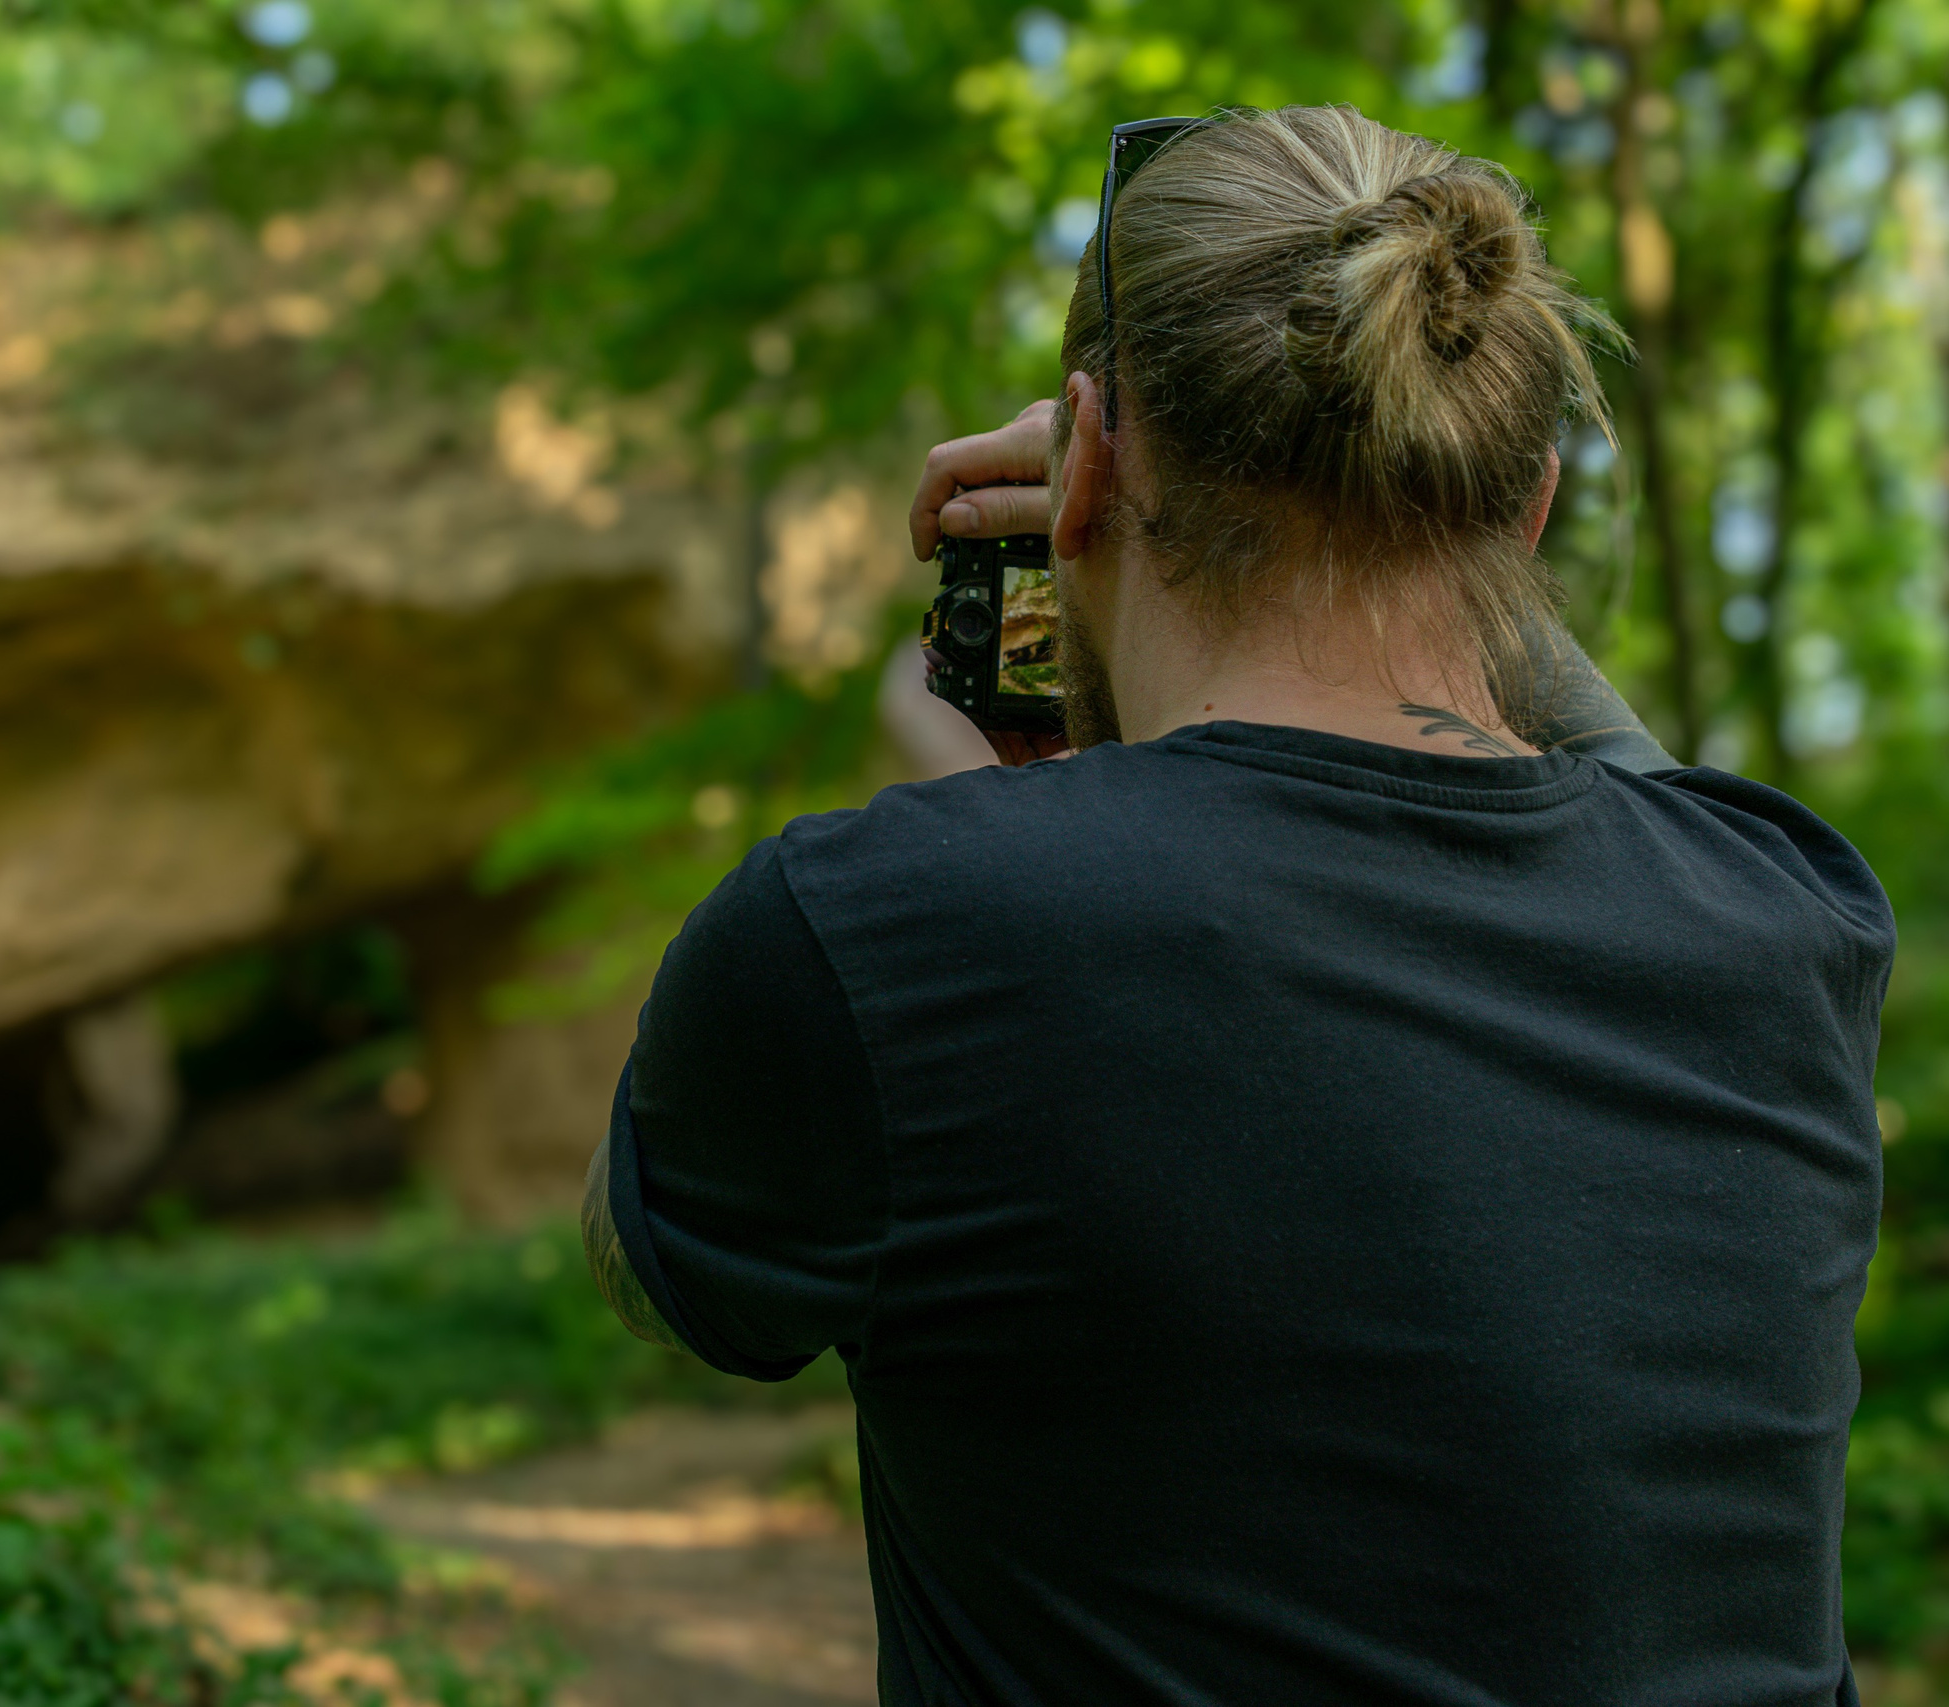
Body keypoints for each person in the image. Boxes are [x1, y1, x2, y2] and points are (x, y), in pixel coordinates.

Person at [580, 105, 1892, 1705]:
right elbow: (1649, 801)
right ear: (1532, 511)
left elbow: (651, 1271)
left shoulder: (884, 930)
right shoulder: (1793, 915)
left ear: (1082, 462)